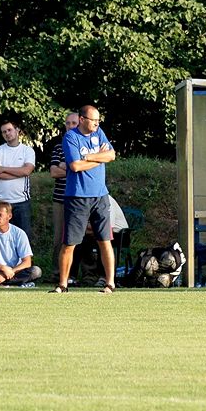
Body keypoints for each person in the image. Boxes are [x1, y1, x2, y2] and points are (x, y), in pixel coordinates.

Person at [52, 105, 116, 294]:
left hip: (100, 196)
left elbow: (111, 155)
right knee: (70, 243)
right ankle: (63, 284)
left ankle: (110, 283)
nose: (96, 123)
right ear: (82, 119)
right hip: (77, 197)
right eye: (93, 120)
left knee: (105, 240)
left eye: (98, 120)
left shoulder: (99, 132)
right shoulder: (70, 137)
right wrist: (99, 158)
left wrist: (89, 157)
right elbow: (75, 166)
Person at [0, 201, 42, 286]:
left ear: (9, 216)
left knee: (36, 271)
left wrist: (7, 274)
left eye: (0, 215)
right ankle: (12, 283)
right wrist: (2, 268)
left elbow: (27, 262)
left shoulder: (19, 233)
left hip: (14, 271)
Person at [0, 120, 35, 238]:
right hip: (0, 201)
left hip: (21, 201)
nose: (7, 133)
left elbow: (27, 171)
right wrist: (20, 172)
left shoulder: (27, 150)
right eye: (4, 132)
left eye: (9, 130)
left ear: (17, 130)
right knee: (0, 237)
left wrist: (3, 168)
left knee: (23, 238)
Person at [50, 112, 80, 282]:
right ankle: (57, 273)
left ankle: (80, 275)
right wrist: (73, 168)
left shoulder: (84, 145)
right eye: (67, 123)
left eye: (73, 123)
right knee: (58, 239)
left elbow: (85, 169)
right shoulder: (58, 147)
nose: (70, 126)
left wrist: (66, 166)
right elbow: (54, 172)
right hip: (60, 199)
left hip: (79, 199)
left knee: (79, 239)